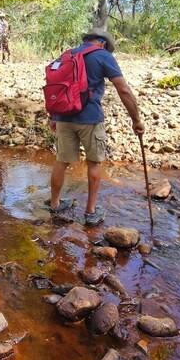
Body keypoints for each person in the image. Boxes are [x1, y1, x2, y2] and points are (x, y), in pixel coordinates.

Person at [47, 29, 144, 227]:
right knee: (94, 162)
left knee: (62, 161)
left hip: (63, 116)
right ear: (102, 43)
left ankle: (55, 204)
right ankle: (90, 212)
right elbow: (123, 89)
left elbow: (55, 86)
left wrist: (53, 116)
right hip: (90, 118)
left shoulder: (66, 55)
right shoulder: (103, 56)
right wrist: (136, 119)